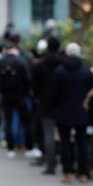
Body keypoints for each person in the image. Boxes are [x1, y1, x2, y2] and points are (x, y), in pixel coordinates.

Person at [50, 43, 93, 183]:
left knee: (65, 142)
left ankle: (67, 172)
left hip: (63, 111)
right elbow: (91, 92)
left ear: (67, 53)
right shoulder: (86, 71)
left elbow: (54, 93)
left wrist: (56, 107)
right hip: (82, 111)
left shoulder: (59, 71)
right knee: (82, 142)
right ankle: (83, 173)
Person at [31, 36, 63, 175]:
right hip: (62, 103)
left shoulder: (40, 65)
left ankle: (51, 162)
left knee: (48, 134)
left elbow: (34, 86)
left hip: (45, 103)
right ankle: (66, 161)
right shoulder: (63, 64)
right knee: (64, 134)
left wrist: (37, 97)